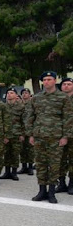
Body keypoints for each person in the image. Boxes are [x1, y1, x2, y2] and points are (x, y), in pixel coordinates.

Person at [24, 71, 73, 203]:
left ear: (55, 81)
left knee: (54, 165)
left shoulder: (63, 98)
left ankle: (52, 191)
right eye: (44, 80)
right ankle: (41, 190)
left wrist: (65, 136)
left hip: (56, 137)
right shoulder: (37, 98)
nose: (46, 82)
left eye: (49, 79)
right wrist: (30, 134)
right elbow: (30, 116)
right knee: (40, 164)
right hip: (39, 136)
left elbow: (68, 118)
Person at [1, 87, 24, 181]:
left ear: (16, 95)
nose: (9, 95)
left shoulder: (21, 107)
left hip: (16, 133)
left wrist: (22, 134)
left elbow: (24, 121)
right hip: (6, 134)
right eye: (8, 93)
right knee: (6, 153)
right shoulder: (3, 106)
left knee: (15, 153)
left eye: (11, 93)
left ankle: (14, 172)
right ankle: (7, 171)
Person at [57, 77, 73, 194]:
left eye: (69, 84)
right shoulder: (56, 100)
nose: (66, 86)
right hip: (58, 134)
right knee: (59, 160)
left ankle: (72, 184)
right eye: (64, 84)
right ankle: (61, 183)